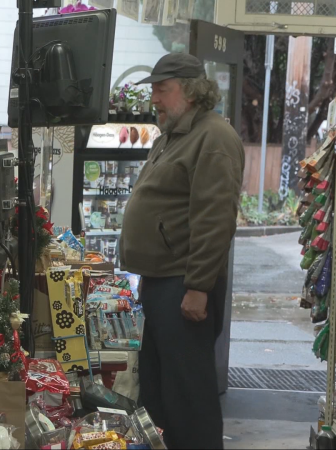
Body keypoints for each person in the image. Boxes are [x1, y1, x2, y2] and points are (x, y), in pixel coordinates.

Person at [119, 53, 244, 449]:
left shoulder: (214, 138)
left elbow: (215, 218)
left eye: (162, 89)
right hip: (162, 281)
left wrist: (198, 286)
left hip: (183, 284)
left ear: (190, 91)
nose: (154, 98)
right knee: (159, 389)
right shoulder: (175, 134)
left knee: (190, 395)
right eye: (153, 89)